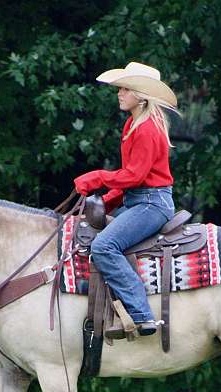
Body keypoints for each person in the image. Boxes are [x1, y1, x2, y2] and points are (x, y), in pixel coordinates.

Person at [74, 62, 179, 338]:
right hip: (138, 200)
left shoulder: (146, 129)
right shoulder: (134, 123)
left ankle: (142, 316)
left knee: (104, 246)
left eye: (125, 88)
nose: (119, 93)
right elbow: (134, 179)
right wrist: (107, 201)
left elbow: (135, 175)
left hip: (151, 204)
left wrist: (96, 178)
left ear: (141, 95)